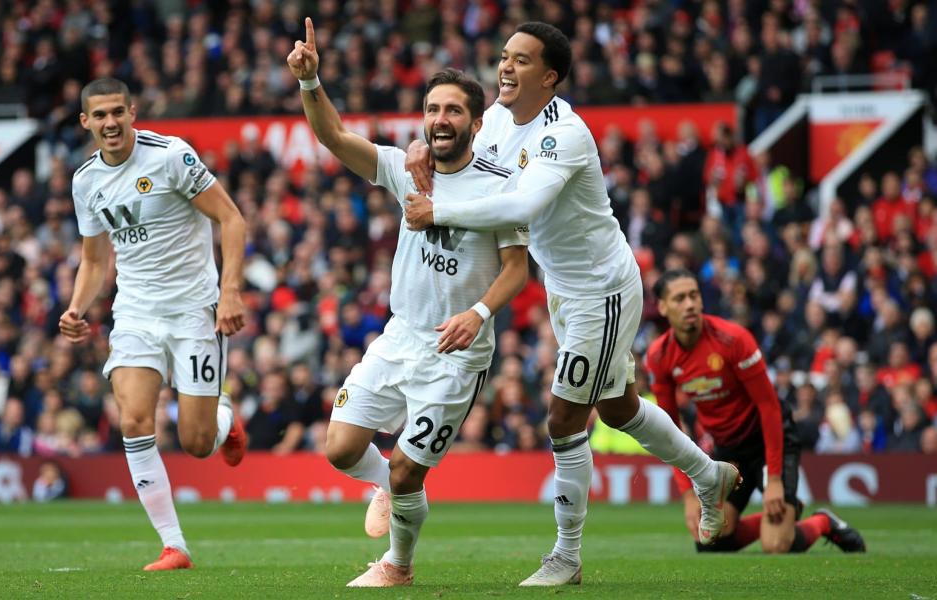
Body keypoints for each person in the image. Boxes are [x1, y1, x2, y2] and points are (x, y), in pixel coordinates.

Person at [402, 21, 739, 586]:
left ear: (550, 77)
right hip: (563, 285)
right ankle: (709, 477)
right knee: (619, 408)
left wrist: (438, 212)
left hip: (599, 290)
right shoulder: (501, 122)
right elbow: (461, 160)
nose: (505, 67)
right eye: (504, 56)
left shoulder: (564, 135)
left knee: (563, 417)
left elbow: (523, 203)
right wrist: (423, 150)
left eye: (521, 61)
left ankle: (567, 556)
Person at [287, 19, 529, 588]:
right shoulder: (405, 167)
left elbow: (518, 269)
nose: (440, 119)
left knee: (405, 473)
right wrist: (310, 82)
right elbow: (335, 139)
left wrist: (479, 314)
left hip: (456, 352)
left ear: (475, 120)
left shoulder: (500, 186)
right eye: (432, 109)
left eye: (452, 110)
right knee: (340, 447)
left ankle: (398, 565)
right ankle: (380, 488)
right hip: (400, 336)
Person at [60, 77, 249, 571]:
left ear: (133, 112)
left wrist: (229, 292)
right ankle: (174, 545)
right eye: (99, 115)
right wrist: (77, 308)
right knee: (134, 419)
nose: (110, 123)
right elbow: (95, 260)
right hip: (136, 314)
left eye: (117, 112)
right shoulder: (85, 181)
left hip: (194, 312)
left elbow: (231, 219)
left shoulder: (170, 157)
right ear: (86, 122)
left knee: (196, 442)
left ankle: (224, 418)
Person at [645, 268, 865, 554]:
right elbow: (669, 430)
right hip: (728, 448)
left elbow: (769, 405)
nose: (689, 304)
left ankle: (823, 522)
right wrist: (688, 494)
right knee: (709, 540)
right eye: (679, 298)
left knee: (776, 545)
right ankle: (787, 512)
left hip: (768, 436)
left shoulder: (733, 339)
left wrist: (774, 479)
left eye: (694, 295)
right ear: (662, 307)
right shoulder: (659, 356)